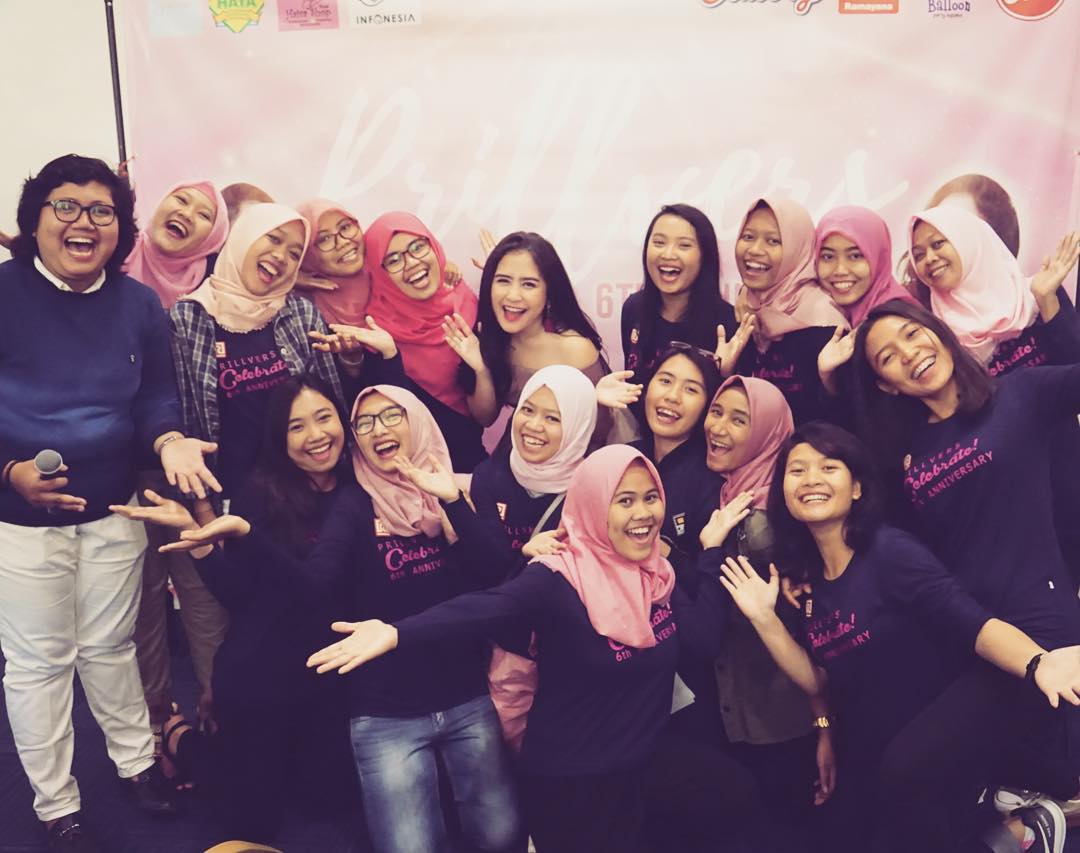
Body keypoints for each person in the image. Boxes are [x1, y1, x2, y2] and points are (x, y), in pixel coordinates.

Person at [307, 445, 769, 853]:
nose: (643, 513)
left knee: (736, 794)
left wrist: (710, 550)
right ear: (593, 506)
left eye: (651, 498)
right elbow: (482, 607)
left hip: (642, 763)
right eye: (624, 500)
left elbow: (703, 638)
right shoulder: (558, 577)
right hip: (575, 781)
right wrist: (394, 633)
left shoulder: (656, 575)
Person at [178, 384, 521, 853]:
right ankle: (181, 741)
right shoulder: (354, 501)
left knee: (502, 835)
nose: (379, 429)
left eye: (393, 416)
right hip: (382, 704)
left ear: (417, 421)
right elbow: (314, 588)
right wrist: (245, 533)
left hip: (462, 692)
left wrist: (451, 502)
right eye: (366, 422)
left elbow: (496, 574)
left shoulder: (460, 489)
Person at [721, 420, 1080, 853]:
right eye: (797, 470)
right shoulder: (808, 581)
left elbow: (972, 624)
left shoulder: (890, 552)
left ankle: (1021, 825)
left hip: (928, 753)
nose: (811, 479)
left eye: (828, 467)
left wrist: (1038, 662)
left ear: (856, 488)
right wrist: (765, 620)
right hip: (872, 750)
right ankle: (1013, 832)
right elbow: (819, 679)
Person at [0, 154, 220, 852]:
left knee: (110, 648)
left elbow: (155, 396)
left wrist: (170, 440)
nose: (84, 223)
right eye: (65, 206)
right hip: (22, 522)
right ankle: (56, 804)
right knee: (39, 664)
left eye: (102, 211)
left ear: (120, 228)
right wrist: (9, 472)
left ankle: (136, 765)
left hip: (115, 512)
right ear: (35, 220)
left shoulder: (137, 304)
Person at [851, 299, 1080, 839]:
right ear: (885, 385)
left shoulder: (1019, 394)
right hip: (971, 636)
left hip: (1040, 630)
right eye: (888, 356)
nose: (909, 353)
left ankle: (1036, 811)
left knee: (906, 769)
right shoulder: (907, 453)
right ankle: (1030, 818)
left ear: (937, 331)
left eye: (913, 334)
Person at [111, 375, 358, 842]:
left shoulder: (359, 487)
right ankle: (184, 739)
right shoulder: (260, 491)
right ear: (279, 438)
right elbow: (236, 593)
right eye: (296, 426)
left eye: (324, 417)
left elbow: (323, 590)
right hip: (262, 675)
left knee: (328, 802)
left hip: (328, 674)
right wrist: (196, 537)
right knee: (253, 822)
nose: (316, 435)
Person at [905, 209, 1080, 583]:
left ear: (969, 241)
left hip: (1067, 463)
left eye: (938, 244)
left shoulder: (1033, 295)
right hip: (1009, 491)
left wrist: (1047, 300)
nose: (929, 259)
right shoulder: (937, 340)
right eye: (918, 254)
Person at [697, 376, 823, 842]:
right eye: (717, 412)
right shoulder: (736, 497)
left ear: (769, 434)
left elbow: (813, 635)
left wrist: (824, 725)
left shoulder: (766, 524)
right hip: (750, 716)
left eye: (740, 420)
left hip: (779, 721)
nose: (719, 427)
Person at [363, 212, 488, 471]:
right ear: (379, 272)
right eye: (393, 260)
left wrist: (502, 277)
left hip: (472, 463)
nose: (411, 262)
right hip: (408, 475)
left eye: (418, 247)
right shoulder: (376, 333)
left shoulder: (464, 299)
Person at [449, 231, 609, 431]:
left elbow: (601, 428)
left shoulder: (575, 349)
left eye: (529, 284)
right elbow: (485, 418)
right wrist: (482, 371)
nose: (513, 295)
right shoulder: (490, 337)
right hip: (523, 439)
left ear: (549, 292)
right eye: (503, 280)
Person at [722, 197, 847, 425]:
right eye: (748, 237)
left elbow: (840, 414)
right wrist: (724, 372)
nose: (755, 250)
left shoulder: (824, 321)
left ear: (797, 249)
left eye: (773, 241)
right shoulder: (744, 312)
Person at [813, 206, 917, 399]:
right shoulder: (833, 317)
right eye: (828, 256)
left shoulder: (894, 318)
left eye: (855, 256)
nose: (840, 270)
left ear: (878, 256)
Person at [620, 204, 736, 375]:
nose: (668, 254)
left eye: (684, 245)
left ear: (705, 256)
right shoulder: (633, 308)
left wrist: (723, 373)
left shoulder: (728, 323)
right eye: (659, 243)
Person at [123, 180, 230, 309]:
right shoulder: (119, 248)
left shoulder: (214, 286)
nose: (187, 214)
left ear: (213, 238)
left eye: (203, 215)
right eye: (182, 200)